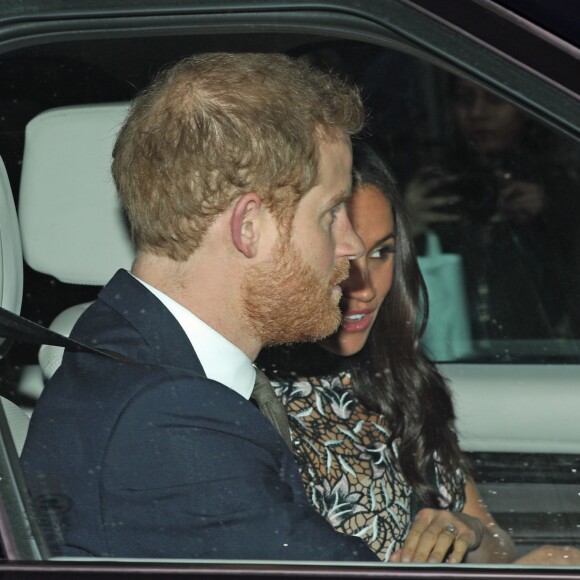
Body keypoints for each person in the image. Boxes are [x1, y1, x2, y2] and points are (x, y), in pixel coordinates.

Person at [21, 52, 380, 561]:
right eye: (330, 213)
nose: (352, 245)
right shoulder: (167, 421)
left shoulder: (126, 358)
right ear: (248, 226)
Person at [259, 142, 580, 565]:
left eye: (382, 253)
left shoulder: (399, 377)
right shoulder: (253, 399)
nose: (367, 287)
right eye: (342, 257)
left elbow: (495, 547)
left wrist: (468, 531)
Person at [404, 77, 580, 343]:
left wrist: (554, 211)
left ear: (525, 106)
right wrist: (407, 223)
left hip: (539, 346)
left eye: (495, 100)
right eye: (465, 99)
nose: (477, 113)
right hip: (454, 343)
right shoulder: (438, 181)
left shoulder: (556, 184)